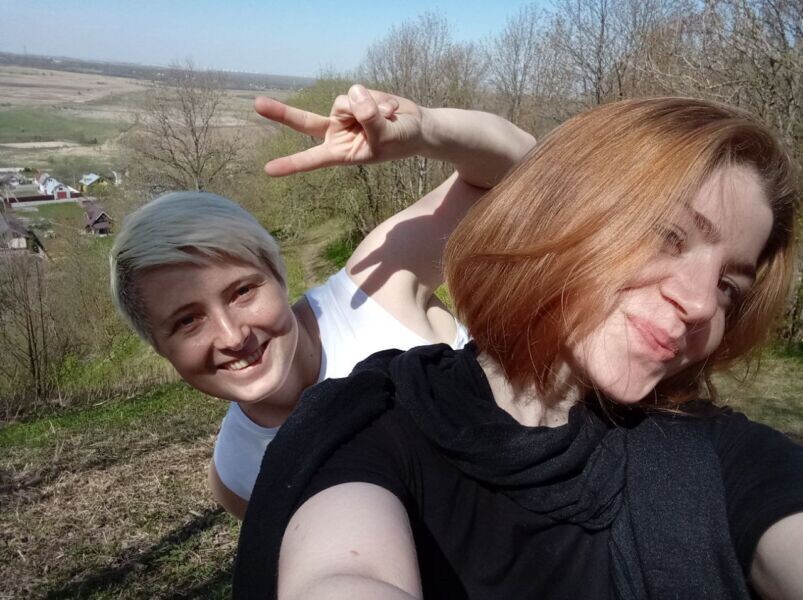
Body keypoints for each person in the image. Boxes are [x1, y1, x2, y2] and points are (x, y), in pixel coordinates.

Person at [233, 97, 803, 599]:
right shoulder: (371, 425)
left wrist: (426, 127)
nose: (702, 304)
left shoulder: (714, 454)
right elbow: (340, 573)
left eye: (729, 286)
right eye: (669, 235)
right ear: (563, 212)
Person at [109, 85, 536, 519]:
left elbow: (525, 171)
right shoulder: (238, 473)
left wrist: (425, 129)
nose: (233, 337)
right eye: (187, 321)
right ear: (159, 346)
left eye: (242, 292)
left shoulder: (374, 290)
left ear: (279, 275)